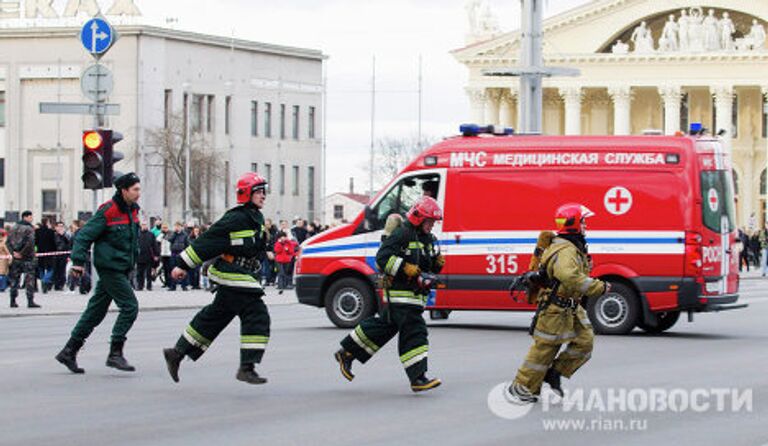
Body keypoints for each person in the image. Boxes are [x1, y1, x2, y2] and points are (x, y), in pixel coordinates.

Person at [162, 172, 272, 385]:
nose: (263, 196)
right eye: (259, 192)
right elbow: (207, 241)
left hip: (244, 274)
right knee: (257, 315)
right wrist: (182, 265)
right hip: (232, 274)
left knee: (215, 316)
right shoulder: (236, 217)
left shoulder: (255, 217)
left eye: (264, 191)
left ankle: (176, 353)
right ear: (247, 193)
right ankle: (247, 367)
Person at [334, 196, 445, 392]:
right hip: (400, 295)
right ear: (419, 217)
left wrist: (436, 266)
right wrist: (406, 268)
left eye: (434, 222)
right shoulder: (403, 234)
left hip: (415, 296)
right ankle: (418, 377)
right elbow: (383, 257)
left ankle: (348, 352)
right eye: (429, 222)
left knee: (385, 326)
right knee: (415, 330)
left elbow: (426, 267)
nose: (432, 226)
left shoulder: (428, 239)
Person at [505, 204, 609, 404]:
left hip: (571, 306)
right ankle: (521, 388)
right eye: (583, 221)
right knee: (545, 349)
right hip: (555, 308)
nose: (586, 225)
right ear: (574, 223)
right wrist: (600, 288)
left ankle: (554, 373)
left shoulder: (574, 246)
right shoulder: (565, 249)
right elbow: (569, 276)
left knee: (585, 342)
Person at [54, 173, 142, 374]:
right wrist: (77, 261)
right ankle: (115, 353)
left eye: (139, 189)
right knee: (130, 307)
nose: (138, 193)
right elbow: (84, 235)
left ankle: (69, 351)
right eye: (135, 189)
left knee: (95, 311)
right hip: (110, 268)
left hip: (122, 268)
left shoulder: (133, 211)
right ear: (124, 190)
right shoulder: (109, 210)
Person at [7, 211, 39, 308]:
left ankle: (12, 300)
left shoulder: (13, 228)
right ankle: (30, 301)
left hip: (15, 258)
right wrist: (21, 253)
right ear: (27, 217)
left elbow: (7, 242)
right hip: (27, 258)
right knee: (29, 279)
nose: (32, 219)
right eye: (31, 217)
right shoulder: (29, 229)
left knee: (14, 280)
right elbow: (30, 243)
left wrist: (14, 253)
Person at [35, 218, 56, 293]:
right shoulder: (51, 232)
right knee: (51, 269)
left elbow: (35, 242)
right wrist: (55, 251)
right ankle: (45, 280)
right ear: (47, 223)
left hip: (40, 252)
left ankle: (43, 280)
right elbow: (53, 242)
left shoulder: (37, 231)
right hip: (49, 252)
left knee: (41, 268)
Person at [137, 222, 160, 291]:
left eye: (145, 225)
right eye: (143, 225)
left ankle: (149, 286)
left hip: (149, 256)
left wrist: (156, 255)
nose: (144, 226)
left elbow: (155, 245)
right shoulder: (138, 234)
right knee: (140, 273)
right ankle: (140, 286)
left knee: (149, 273)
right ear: (141, 226)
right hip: (139, 256)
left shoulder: (151, 234)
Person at [168, 222, 190, 291]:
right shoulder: (173, 234)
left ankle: (184, 286)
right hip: (174, 253)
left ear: (181, 227)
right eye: (176, 226)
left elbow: (187, 244)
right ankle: (173, 286)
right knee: (173, 269)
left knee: (183, 269)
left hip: (181, 254)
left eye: (178, 226)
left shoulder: (185, 235)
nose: (177, 227)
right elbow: (170, 240)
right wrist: (174, 233)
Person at [53, 222, 72, 291]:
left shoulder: (66, 235)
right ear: (56, 227)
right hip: (55, 254)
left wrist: (63, 235)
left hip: (64, 255)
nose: (60, 228)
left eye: (62, 226)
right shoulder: (54, 235)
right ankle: (56, 284)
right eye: (59, 226)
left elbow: (69, 243)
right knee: (56, 270)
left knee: (62, 270)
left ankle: (61, 284)